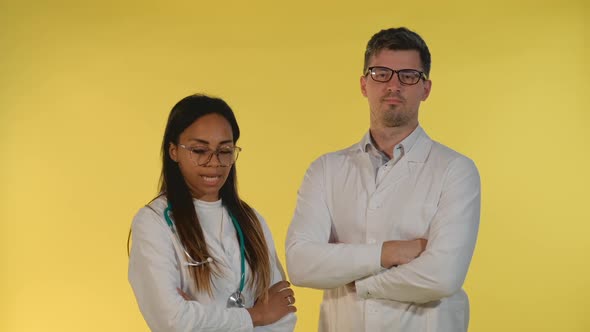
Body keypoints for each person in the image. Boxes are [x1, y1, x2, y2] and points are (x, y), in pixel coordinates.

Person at [285, 27, 481, 332]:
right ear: (364, 84)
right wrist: (388, 252)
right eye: (381, 73)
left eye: (408, 75)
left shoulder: (455, 170)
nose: (393, 85)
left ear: (425, 89)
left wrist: (352, 278)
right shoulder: (326, 170)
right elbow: (300, 264)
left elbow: (443, 275)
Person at [129, 94, 297, 331]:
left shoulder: (251, 220)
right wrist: (255, 316)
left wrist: (203, 316)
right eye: (199, 150)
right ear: (173, 151)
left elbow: (283, 315)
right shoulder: (153, 222)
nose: (214, 162)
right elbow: (173, 320)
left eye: (225, 150)